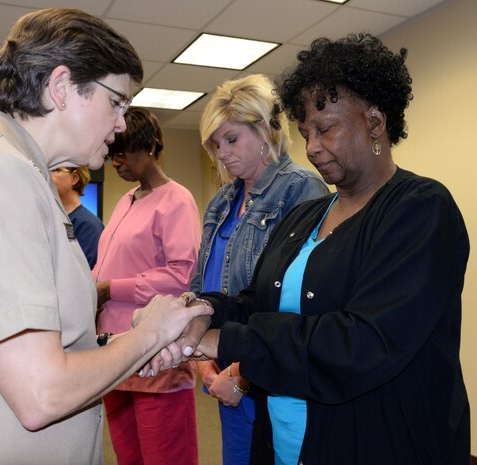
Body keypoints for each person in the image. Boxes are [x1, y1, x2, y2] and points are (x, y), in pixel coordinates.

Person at [0, 9, 212, 465]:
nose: (121, 124)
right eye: (116, 102)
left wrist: (127, 343)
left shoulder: (22, 176)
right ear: (60, 88)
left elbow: (54, 350)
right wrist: (149, 336)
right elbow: (42, 393)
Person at [173, 33, 470, 465]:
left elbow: (363, 342)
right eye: (305, 132)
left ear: (375, 122)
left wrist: (226, 341)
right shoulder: (305, 215)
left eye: (326, 129)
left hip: (377, 441)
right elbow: (258, 303)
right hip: (287, 440)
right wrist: (199, 312)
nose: (311, 147)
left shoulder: (421, 209)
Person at [191, 74, 327, 465]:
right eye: (216, 145)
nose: (222, 154)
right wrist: (203, 358)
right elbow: (202, 283)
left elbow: (299, 303)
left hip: (263, 373)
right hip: (221, 364)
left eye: (231, 139)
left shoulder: (302, 190)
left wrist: (241, 374)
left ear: (266, 129)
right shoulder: (222, 201)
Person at [93, 107, 201, 465]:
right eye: (112, 155)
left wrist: (110, 289)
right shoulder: (127, 200)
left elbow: (179, 277)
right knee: (129, 456)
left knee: (165, 456)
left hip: (156, 354)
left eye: (124, 153)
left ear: (151, 147)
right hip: (115, 351)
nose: (117, 163)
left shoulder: (176, 199)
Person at [50, 165, 104, 268]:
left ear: (74, 178)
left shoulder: (88, 226)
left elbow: (83, 273)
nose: (47, 175)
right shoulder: (53, 219)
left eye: (56, 170)